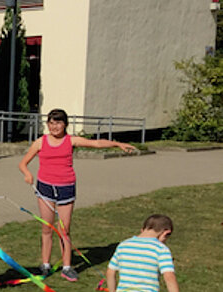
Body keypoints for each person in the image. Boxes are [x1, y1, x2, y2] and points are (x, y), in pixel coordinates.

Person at [18, 109, 137, 281]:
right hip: (45, 188)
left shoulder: (71, 140)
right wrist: (27, 174)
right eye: (51, 123)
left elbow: (96, 144)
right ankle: (45, 264)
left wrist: (118, 144)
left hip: (66, 187)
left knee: (64, 229)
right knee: (47, 228)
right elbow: (22, 163)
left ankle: (67, 267)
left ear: (65, 124)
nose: (54, 126)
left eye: (58, 123)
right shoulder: (40, 142)